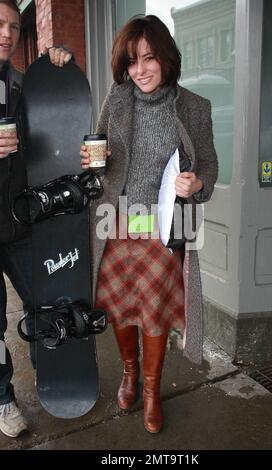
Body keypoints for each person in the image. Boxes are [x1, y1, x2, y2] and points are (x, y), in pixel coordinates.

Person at [80, 15, 218, 434]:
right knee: (121, 307)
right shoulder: (117, 100)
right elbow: (98, 155)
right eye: (133, 60)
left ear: (166, 59)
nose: (140, 69)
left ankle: (154, 391)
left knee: (154, 313)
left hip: (162, 231)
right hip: (116, 225)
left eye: (150, 58)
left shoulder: (194, 108)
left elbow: (209, 167)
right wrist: (90, 161)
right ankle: (129, 373)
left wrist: (197, 183)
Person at [0, 0, 72, 438]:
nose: (6, 33)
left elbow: (54, 122)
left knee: (42, 304)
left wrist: (61, 65)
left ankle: (54, 372)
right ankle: (2, 399)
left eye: (12, 25)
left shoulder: (22, 85)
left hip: (21, 221)